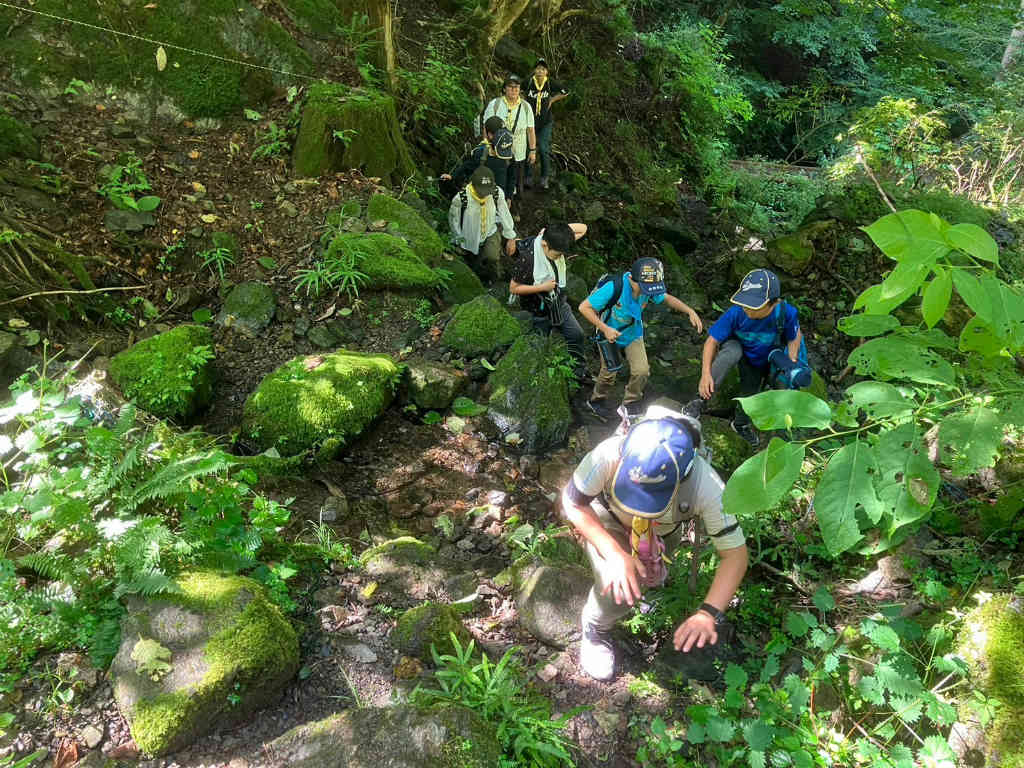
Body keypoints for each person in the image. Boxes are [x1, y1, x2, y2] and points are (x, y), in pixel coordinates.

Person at [561, 406, 748, 681]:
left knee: (648, 576)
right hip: (607, 516)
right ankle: (594, 628)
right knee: (619, 584)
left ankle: (644, 589)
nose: (640, 507)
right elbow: (573, 502)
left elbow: (736, 555)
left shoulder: (706, 486)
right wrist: (614, 553)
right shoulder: (608, 454)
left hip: (662, 532)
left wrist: (708, 614)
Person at [691, 268, 809, 447]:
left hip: (772, 355)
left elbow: (795, 335)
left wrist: (791, 361)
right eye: (745, 302)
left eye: (754, 305)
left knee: (778, 386)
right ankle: (697, 402)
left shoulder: (786, 313)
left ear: (774, 303)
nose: (747, 308)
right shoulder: (737, 313)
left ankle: (744, 426)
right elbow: (711, 342)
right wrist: (705, 374)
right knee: (747, 384)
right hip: (746, 355)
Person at [579, 257, 703, 424]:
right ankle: (596, 401)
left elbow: (666, 298)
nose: (648, 292)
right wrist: (605, 329)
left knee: (642, 370)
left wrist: (689, 311)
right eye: (645, 288)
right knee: (609, 372)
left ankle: (630, 403)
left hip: (633, 334)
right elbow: (584, 307)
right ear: (632, 278)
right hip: (608, 334)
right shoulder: (614, 287)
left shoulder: (648, 286)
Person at [508, 222, 589, 381]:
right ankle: (541, 374)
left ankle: (578, 370)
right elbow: (514, 288)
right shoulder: (528, 259)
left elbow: (583, 228)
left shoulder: (554, 242)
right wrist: (542, 287)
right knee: (540, 343)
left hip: (559, 302)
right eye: (558, 254)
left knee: (577, 334)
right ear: (544, 245)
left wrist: (554, 231)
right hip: (537, 308)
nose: (560, 257)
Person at [448, 166, 517, 283]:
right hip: (469, 234)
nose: (484, 194)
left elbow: (504, 212)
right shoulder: (462, 198)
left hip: (491, 230)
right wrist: (458, 238)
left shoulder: (496, 192)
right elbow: (453, 220)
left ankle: (493, 278)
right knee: (472, 260)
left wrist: (511, 237)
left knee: (492, 257)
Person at [481, 75, 536, 203]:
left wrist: (532, 150)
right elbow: (486, 126)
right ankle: (496, 207)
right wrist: (486, 145)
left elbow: (530, 130)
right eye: (510, 87)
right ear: (504, 89)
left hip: (519, 152)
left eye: (516, 87)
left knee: (517, 182)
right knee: (498, 180)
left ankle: (515, 208)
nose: (513, 90)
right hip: (497, 152)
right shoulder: (495, 104)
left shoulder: (526, 107)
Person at [441, 116, 513, 198]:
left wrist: (452, 176)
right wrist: (509, 197)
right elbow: (511, 176)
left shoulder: (480, 152)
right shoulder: (508, 153)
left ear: (489, 134)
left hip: (480, 197)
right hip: (498, 197)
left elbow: (466, 167)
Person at [524, 58, 569, 191]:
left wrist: (552, 99)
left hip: (545, 122)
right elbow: (517, 88)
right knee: (528, 149)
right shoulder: (529, 82)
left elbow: (566, 91)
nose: (540, 71)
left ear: (546, 72)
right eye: (538, 68)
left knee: (543, 149)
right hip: (530, 123)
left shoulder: (549, 83)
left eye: (543, 69)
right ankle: (528, 177)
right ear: (534, 70)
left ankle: (544, 178)